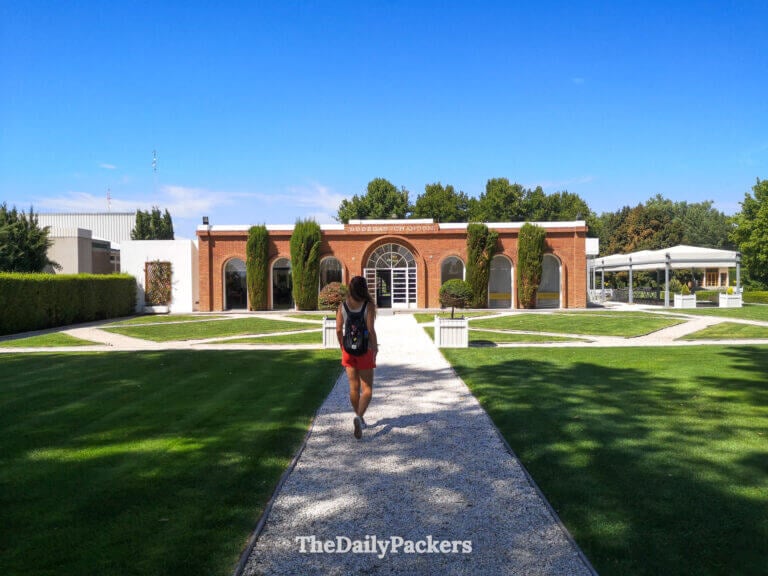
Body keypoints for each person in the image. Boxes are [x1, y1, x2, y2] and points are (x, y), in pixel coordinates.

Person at [336, 276, 378, 439]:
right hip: (364, 349)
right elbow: (370, 329)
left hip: (348, 349)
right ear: (364, 288)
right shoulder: (369, 305)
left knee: (353, 388)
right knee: (367, 388)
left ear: (350, 288)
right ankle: (359, 417)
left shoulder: (342, 306)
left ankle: (359, 417)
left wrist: (342, 345)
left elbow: (339, 329)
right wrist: (374, 347)